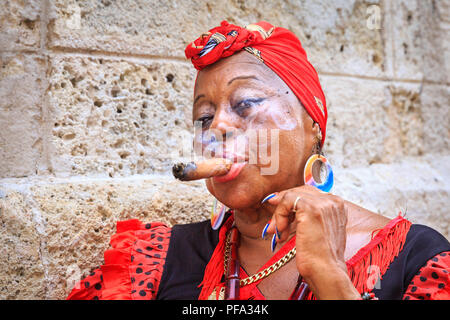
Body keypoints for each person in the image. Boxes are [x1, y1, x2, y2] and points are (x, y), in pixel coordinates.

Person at [67, 21, 450, 300]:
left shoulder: (415, 260)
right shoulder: (154, 262)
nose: (216, 126)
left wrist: (331, 277)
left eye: (246, 104)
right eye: (204, 117)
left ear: (313, 126)